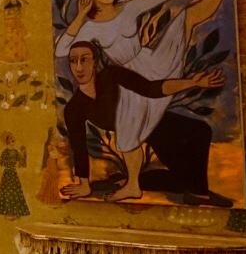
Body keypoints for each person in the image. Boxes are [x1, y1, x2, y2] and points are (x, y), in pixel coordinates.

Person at [55, 0, 233, 200]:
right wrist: (81, 15)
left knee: (185, 19)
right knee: (129, 132)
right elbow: (61, 50)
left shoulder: (128, 9)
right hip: (129, 78)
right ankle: (133, 184)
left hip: (151, 63)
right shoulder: (88, 28)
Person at [60, 39, 233, 207]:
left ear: (95, 62)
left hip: (154, 119)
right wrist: (84, 185)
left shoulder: (110, 75)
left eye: (84, 60)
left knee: (201, 131)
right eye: (73, 61)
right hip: (148, 134)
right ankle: (198, 195)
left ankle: (125, 182)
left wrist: (194, 83)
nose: (79, 67)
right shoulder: (74, 108)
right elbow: (79, 147)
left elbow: (150, 89)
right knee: (185, 173)